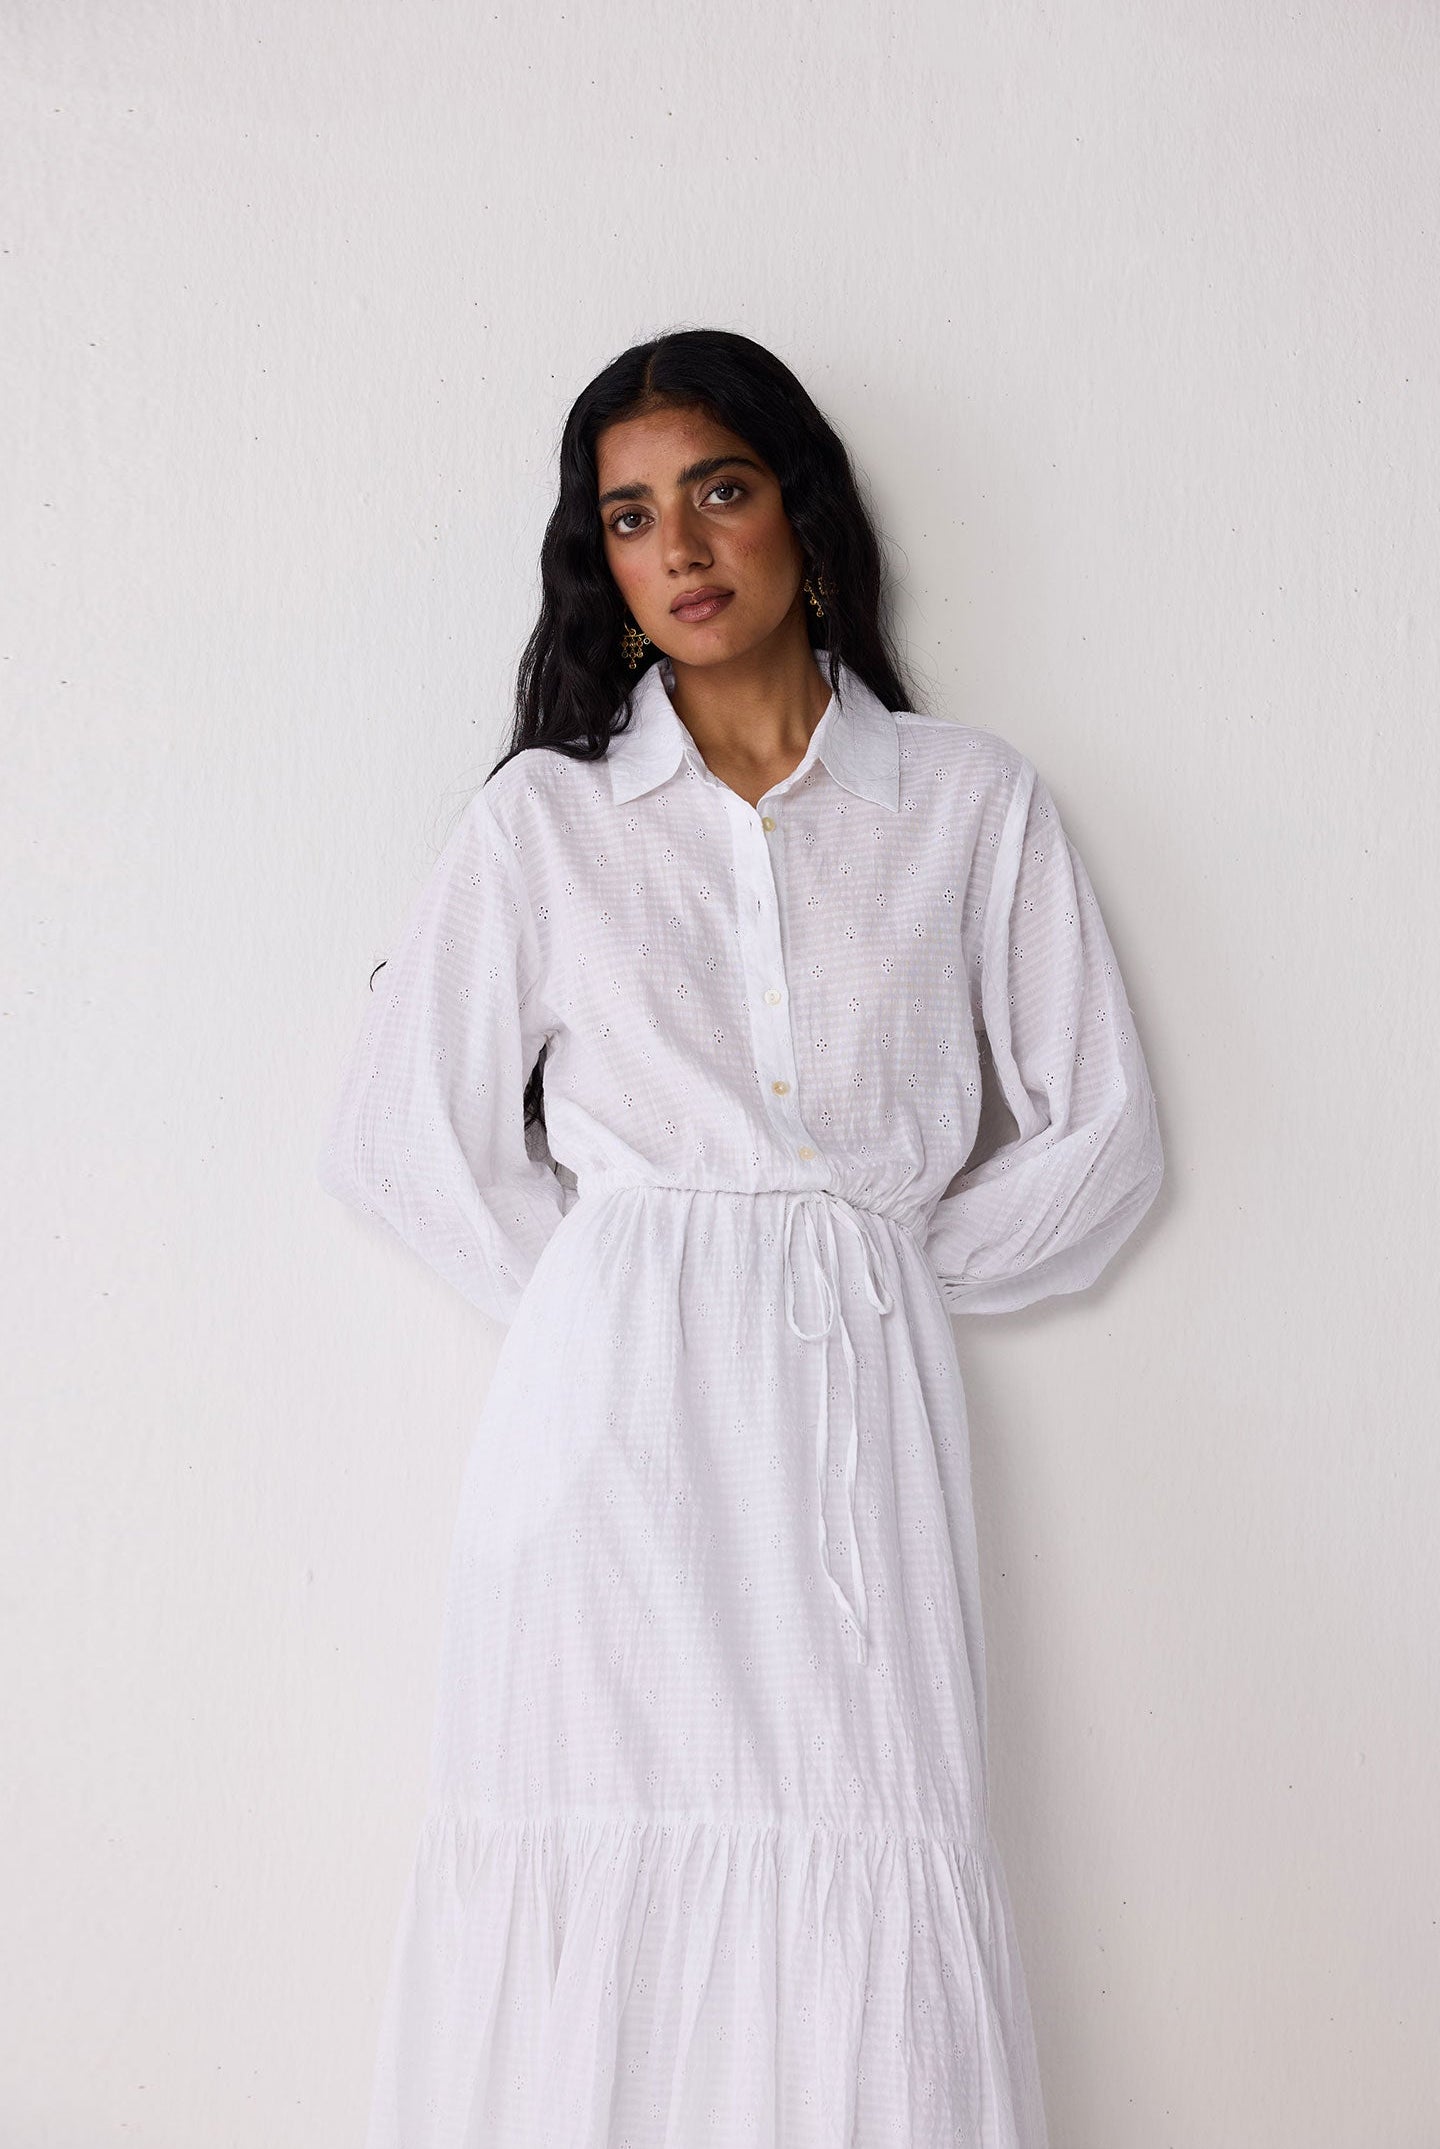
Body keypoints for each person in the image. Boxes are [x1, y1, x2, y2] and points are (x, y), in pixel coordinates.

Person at [316, 326, 1164, 2149]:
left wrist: (868, 1276)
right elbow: (398, 1135)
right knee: (593, 1836)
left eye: (719, 489)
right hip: (601, 1455)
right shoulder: (548, 823)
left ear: (804, 515)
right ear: (601, 565)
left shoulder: (966, 805)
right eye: (630, 517)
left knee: (869, 1832)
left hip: (855, 1429)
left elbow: (1102, 1136)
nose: (682, 547)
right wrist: (608, 1305)